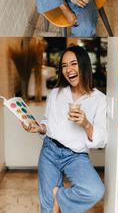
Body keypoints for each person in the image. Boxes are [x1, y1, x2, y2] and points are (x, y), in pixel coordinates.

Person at [22, 45, 107, 213]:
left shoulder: (100, 99)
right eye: (64, 66)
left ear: (84, 65)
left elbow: (101, 140)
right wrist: (38, 127)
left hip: (76, 156)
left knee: (95, 190)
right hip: (50, 149)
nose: (69, 70)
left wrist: (86, 124)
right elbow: (47, 123)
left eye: (73, 64)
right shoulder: (56, 93)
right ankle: (54, 200)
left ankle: (59, 197)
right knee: (47, 207)